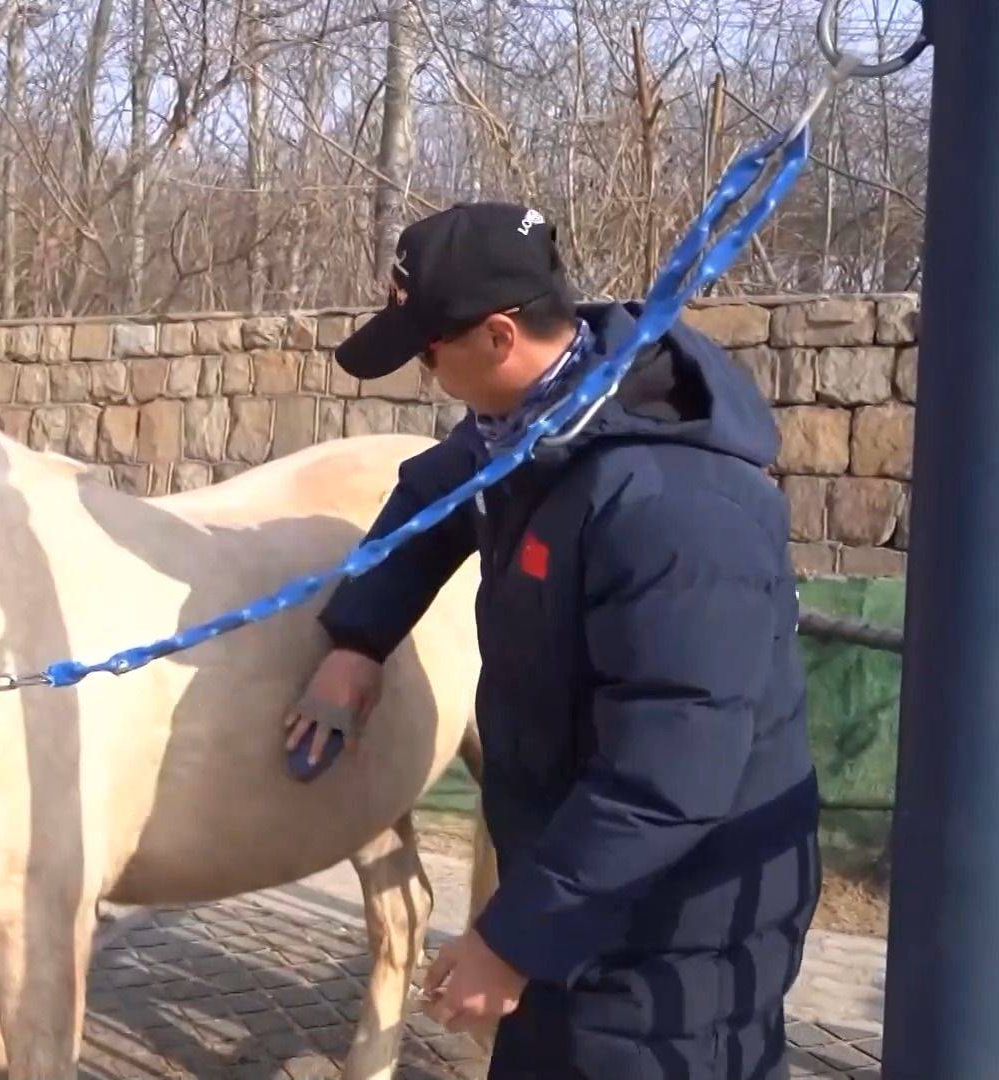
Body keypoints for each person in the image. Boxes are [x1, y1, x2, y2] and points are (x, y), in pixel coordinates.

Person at [285, 202, 822, 1079]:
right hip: (579, 897)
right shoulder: (529, 426)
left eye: (428, 351)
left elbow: (668, 778)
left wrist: (513, 941)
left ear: (499, 335)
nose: (424, 373)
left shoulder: (673, 509)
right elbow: (434, 496)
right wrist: (357, 639)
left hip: (674, 928)